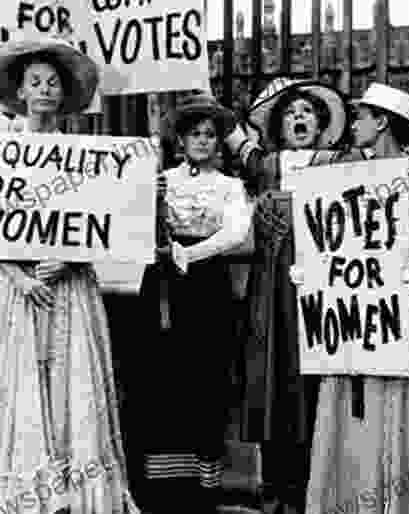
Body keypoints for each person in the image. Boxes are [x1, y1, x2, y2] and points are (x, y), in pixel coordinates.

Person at [0, 35, 139, 514]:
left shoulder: (84, 155)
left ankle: (74, 487)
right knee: (19, 379)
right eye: (35, 82)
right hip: (15, 286)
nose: (44, 90)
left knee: (69, 376)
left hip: (68, 284)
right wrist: (17, 274)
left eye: (52, 83)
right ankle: (22, 494)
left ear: (62, 95)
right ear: (20, 92)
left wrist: (71, 259)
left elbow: (107, 225)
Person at [292, 82, 409, 514]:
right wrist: (311, 270)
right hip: (351, 314)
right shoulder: (341, 176)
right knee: (348, 404)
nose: (354, 124)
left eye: (361, 116)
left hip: (398, 309)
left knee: (397, 404)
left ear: (382, 121)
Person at [224, 77, 350, 513]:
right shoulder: (266, 164)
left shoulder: (340, 161)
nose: (299, 118)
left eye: (308, 112)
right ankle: (276, 486)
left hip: (321, 286)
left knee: (313, 379)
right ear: (279, 124)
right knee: (272, 375)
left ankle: (318, 484)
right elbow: (227, 130)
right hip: (271, 288)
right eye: (291, 112)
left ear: (321, 124)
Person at [134, 91, 252, 514]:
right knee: (162, 378)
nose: (202, 141)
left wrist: (190, 253)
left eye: (209, 135)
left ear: (219, 142)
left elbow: (236, 233)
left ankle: (204, 487)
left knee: (205, 379)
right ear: (180, 141)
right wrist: (150, 202)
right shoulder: (162, 179)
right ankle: (163, 487)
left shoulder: (230, 186)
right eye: (193, 134)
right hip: (162, 285)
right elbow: (132, 224)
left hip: (206, 287)